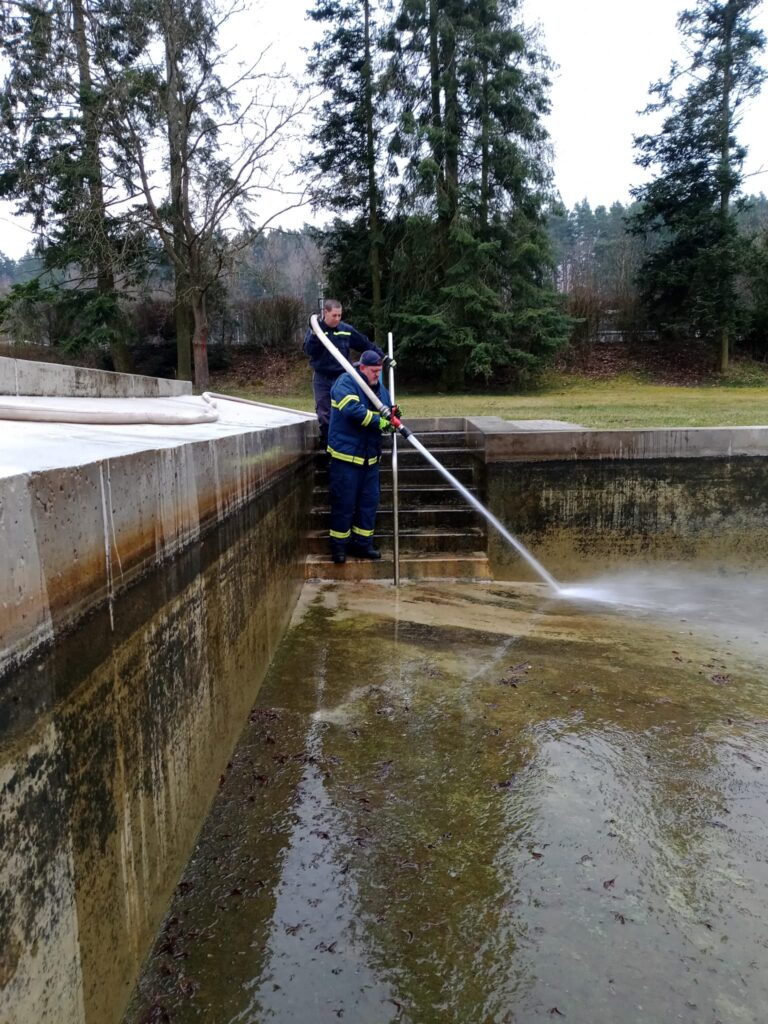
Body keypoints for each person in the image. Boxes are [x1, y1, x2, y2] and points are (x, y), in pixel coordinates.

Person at [326, 350, 394, 564]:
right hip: (346, 458)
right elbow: (352, 411)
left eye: (379, 371)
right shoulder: (346, 381)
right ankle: (339, 547)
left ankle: (363, 544)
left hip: (370, 459)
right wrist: (380, 422)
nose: (377, 375)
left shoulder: (379, 388)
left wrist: (393, 415)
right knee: (344, 504)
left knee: (368, 504)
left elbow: (386, 409)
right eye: (374, 371)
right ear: (362, 367)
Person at [303, 299, 384, 449]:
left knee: (345, 409)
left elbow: (365, 344)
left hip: (342, 377)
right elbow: (308, 350)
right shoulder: (316, 330)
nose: (337, 319)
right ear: (325, 313)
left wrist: (383, 357)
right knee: (324, 412)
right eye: (334, 315)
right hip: (322, 377)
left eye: (339, 315)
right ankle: (328, 445)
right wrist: (314, 334)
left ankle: (346, 442)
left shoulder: (346, 330)